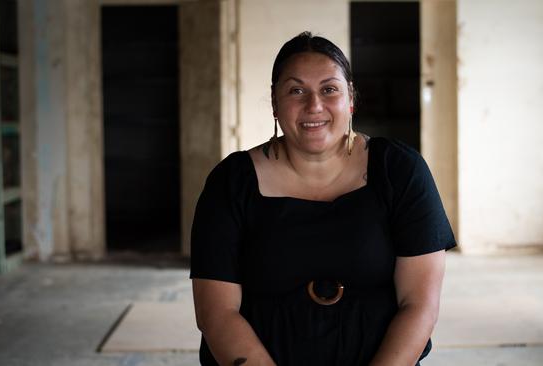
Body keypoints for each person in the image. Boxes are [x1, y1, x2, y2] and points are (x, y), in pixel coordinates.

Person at [190, 31, 456, 366]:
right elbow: (216, 314)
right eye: (296, 90)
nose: (314, 105)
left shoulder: (400, 171)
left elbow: (420, 305)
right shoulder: (230, 183)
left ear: (351, 99)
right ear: (274, 102)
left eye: (329, 89)